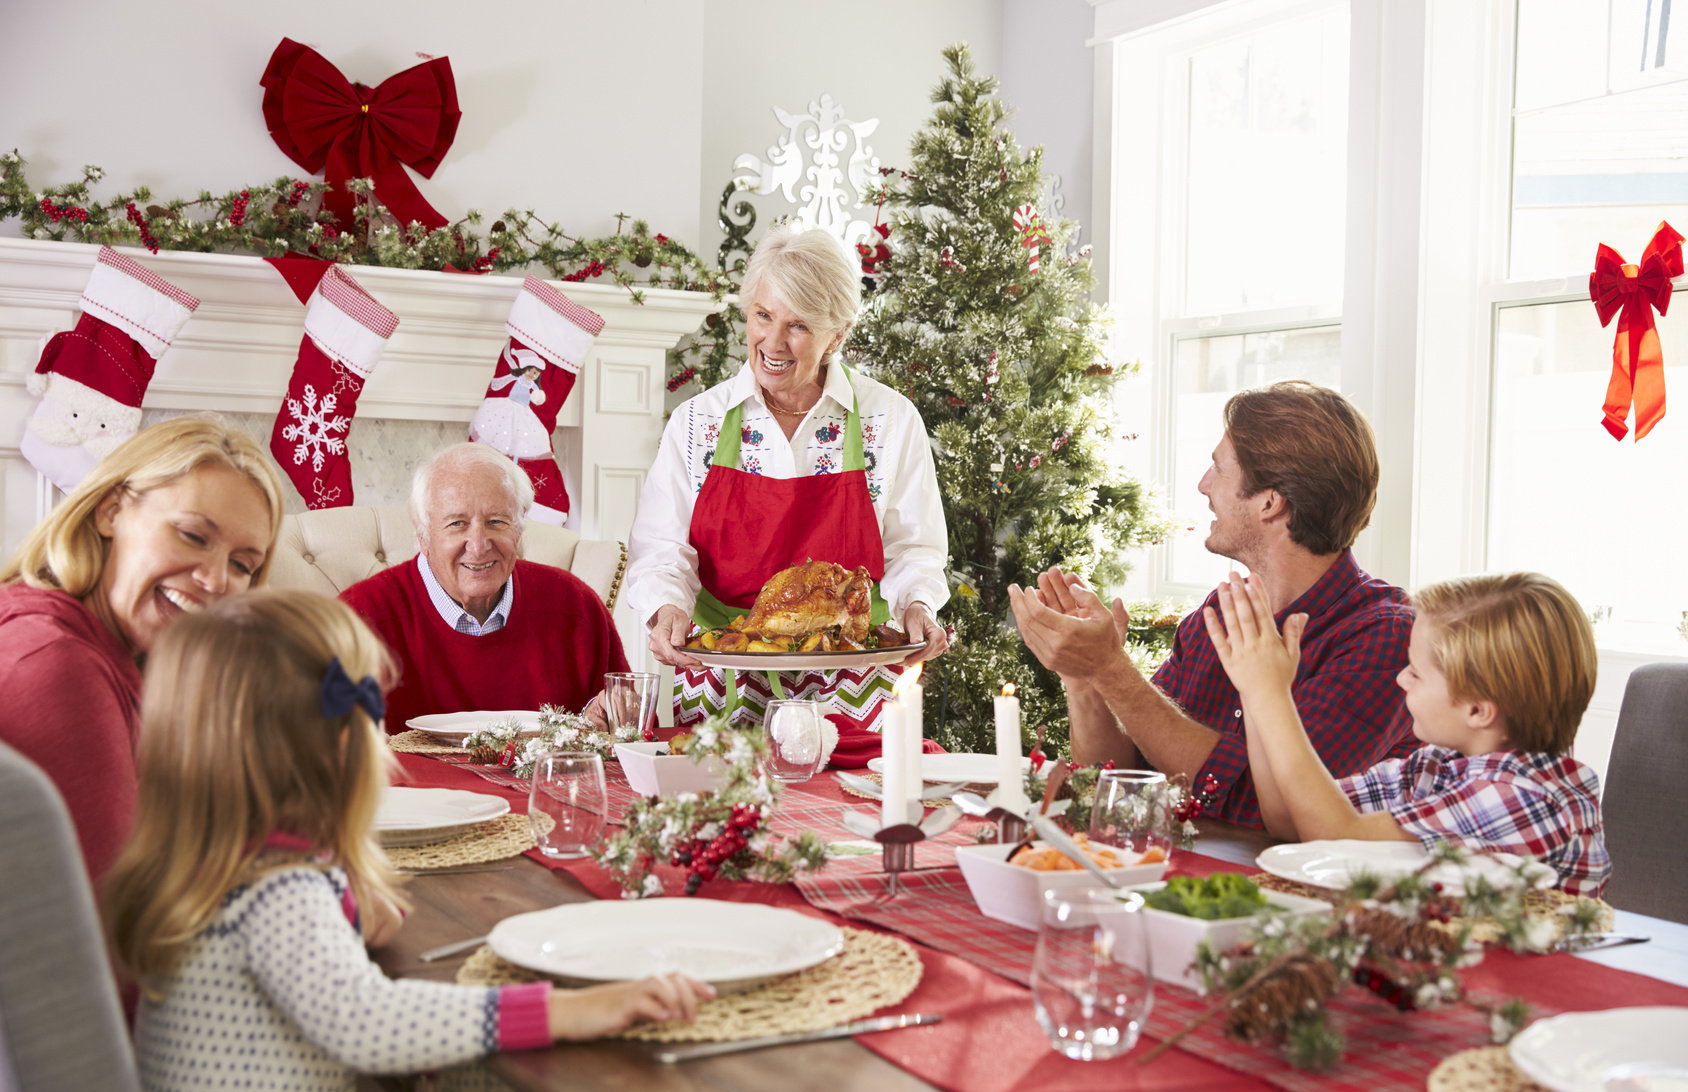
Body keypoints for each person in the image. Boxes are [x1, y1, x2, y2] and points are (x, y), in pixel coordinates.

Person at [103, 590, 712, 1092]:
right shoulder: (278, 890)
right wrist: (573, 1010)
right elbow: (369, 1022)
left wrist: (342, 910)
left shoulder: (222, 864)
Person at [1010, 380, 1417, 827]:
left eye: (1218, 469)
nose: (1203, 485)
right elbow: (1115, 781)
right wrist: (1086, 677)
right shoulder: (1215, 616)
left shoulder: (1384, 636)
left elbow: (1261, 812)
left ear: (1269, 502)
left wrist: (1113, 669)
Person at [626, 226, 949, 727]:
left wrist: (918, 606)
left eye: (798, 326)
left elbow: (914, 547)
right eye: (763, 316)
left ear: (836, 335)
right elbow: (663, 548)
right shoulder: (698, 422)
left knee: (855, 804)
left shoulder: (891, 419)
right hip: (724, 673)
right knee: (723, 804)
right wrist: (665, 606)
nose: (772, 343)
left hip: (856, 682)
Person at [0, 414, 284, 886]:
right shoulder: (56, 665)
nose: (215, 580)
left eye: (241, 565)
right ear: (110, 511)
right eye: (193, 536)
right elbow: (114, 932)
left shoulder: (121, 653)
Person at [1200, 570, 1610, 896]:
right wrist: (1255, 690)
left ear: (1477, 710)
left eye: (1415, 672)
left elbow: (1338, 838)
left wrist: (1272, 695)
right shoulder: (1439, 765)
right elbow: (1292, 823)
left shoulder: (1524, 796)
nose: (1400, 679)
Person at [340, 442, 629, 732]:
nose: (478, 547)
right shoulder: (358, 617)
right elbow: (315, 749)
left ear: (519, 528)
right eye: (457, 524)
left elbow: (634, 729)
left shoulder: (575, 605)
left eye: (496, 521)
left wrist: (614, 717)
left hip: (543, 779)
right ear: (423, 536)